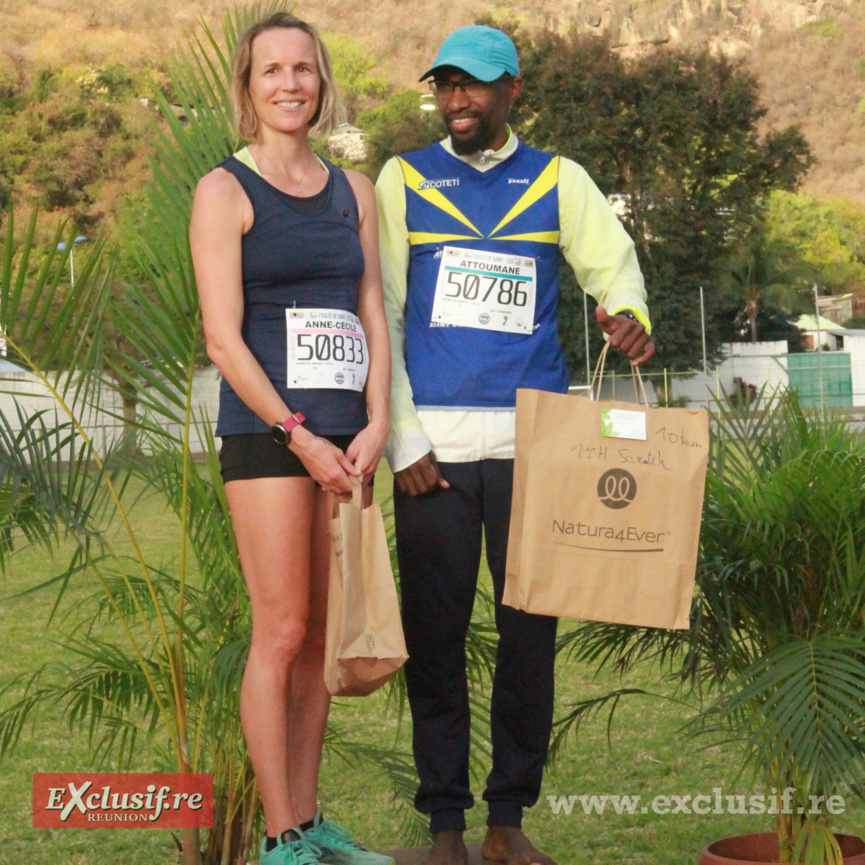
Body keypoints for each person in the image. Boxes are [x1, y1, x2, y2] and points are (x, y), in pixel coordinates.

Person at [375, 25, 656, 865]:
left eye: (475, 86)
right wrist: (401, 437)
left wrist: (628, 315)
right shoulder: (404, 179)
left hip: (539, 448)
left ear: (511, 92)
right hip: (433, 454)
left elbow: (614, 268)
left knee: (528, 641)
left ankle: (507, 820)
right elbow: (382, 312)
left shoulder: (559, 181)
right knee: (436, 640)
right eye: (446, 86)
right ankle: (445, 828)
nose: (457, 100)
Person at [189, 13, 392, 865]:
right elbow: (222, 339)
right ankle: (279, 840)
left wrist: (377, 419)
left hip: (347, 441)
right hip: (273, 441)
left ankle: (309, 824)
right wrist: (297, 433)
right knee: (279, 631)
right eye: (270, 70)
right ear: (249, 86)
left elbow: (372, 309)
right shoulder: (223, 191)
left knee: (318, 638)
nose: (288, 84)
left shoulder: (355, 191)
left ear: (321, 81)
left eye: (302, 69)